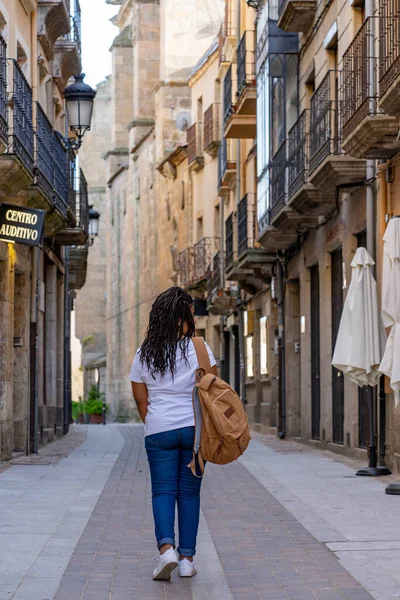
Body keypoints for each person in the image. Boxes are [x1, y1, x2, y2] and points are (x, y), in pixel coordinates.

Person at [130, 286, 218, 581]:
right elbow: (215, 391)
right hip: (194, 432)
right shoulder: (201, 349)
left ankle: (166, 550)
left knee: (163, 491)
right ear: (185, 317)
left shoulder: (144, 353)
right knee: (190, 495)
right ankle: (187, 560)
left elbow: (141, 400)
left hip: (159, 431)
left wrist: (155, 423)